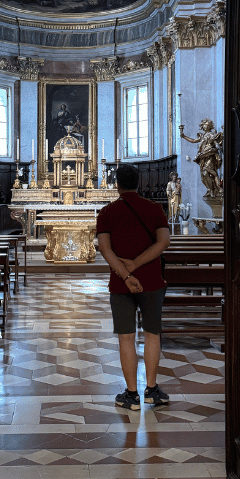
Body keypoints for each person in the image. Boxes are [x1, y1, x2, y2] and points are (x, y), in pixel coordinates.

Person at [96, 164, 171, 411]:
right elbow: (163, 242)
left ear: (117, 184)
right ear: (139, 182)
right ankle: (151, 389)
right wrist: (139, 264)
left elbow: (105, 250)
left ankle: (131, 394)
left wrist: (127, 274)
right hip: (152, 280)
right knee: (152, 334)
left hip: (120, 283)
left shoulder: (107, 212)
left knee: (126, 338)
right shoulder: (154, 209)